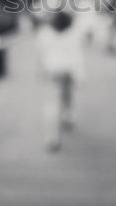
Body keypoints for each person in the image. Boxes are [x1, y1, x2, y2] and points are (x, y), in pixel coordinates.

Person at [35, 11, 85, 152]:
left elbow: (40, 55)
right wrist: (80, 75)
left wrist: (40, 71)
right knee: (67, 97)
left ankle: (52, 137)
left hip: (52, 72)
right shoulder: (73, 34)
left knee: (51, 104)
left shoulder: (44, 34)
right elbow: (77, 56)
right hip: (68, 72)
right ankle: (67, 117)